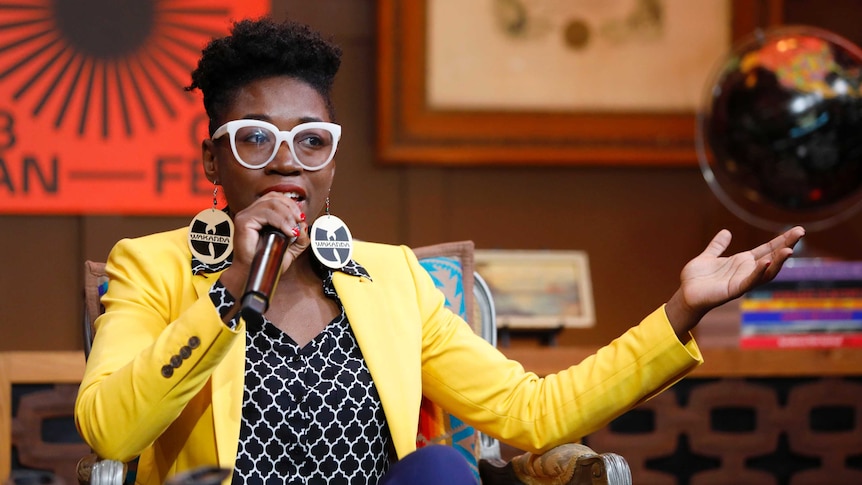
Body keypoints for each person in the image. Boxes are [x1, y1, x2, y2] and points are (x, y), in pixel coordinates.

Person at [74, 16, 805, 485]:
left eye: (311, 139)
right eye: (256, 138)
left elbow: (531, 410)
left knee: (442, 470)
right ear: (213, 161)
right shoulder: (153, 267)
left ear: (331, 161)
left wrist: (680, 311)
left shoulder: (393, 276)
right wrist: (228, 289)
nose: (286, 160)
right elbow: (110, 428)